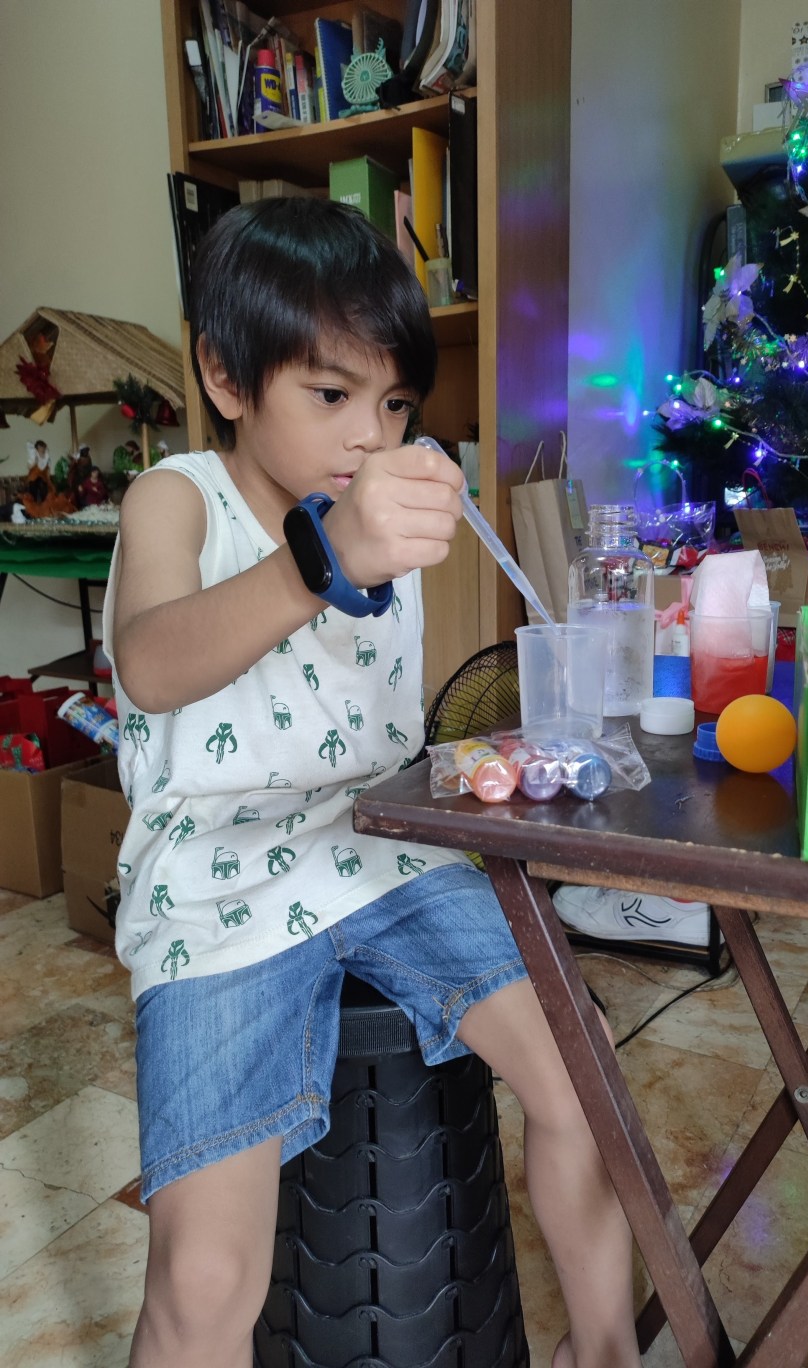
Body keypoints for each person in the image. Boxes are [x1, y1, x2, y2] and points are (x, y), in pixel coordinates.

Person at [103, 197, 642, 1368]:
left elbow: (371, 719)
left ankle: (602, 1350)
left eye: (394, 404)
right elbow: (150, 661)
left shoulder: (389, 515)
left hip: (379, 846)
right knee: (203, 1277)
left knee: (587, 1079)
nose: (371, 435)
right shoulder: (177, 497)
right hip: (214, 886)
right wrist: (324, 556)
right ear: (226, 376)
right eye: (331, 394)